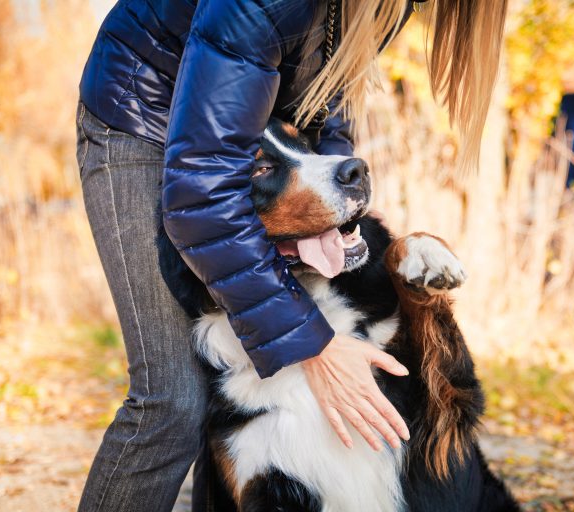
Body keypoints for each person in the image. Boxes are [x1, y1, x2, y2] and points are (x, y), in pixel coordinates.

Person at [75, 0, 507, 510]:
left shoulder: (390, 6)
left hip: (257, 128)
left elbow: (326, 110)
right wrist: (312, 344)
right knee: (174, 399)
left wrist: (336, 203)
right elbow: (203, 193)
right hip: (143, 119)